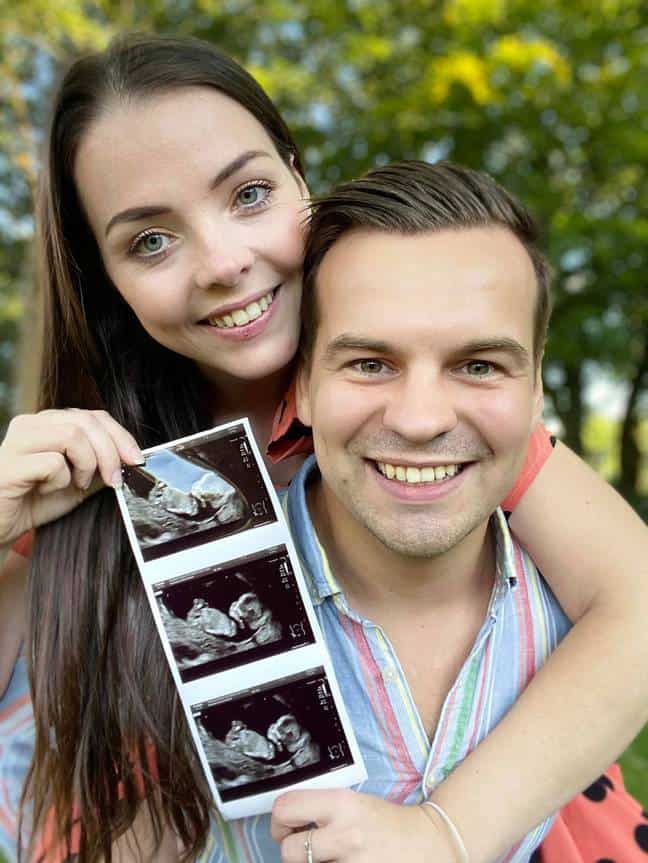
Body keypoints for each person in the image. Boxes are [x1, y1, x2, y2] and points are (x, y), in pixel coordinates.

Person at [0, 33, 646, 863]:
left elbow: (635, 604)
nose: (226, 262)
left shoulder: (417, 414)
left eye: (250, 194)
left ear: (300, 178)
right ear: (105, 279)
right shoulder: (101, 472)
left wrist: (448, 833)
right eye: (150, 241)